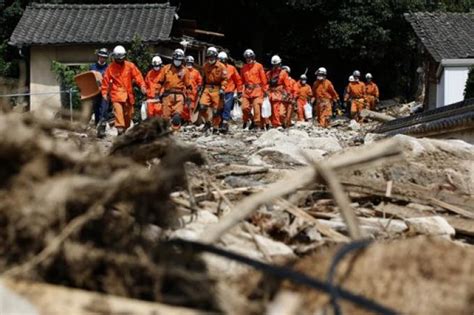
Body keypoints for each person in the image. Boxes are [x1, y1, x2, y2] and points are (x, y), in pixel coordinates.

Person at [101, 45, 146, 135]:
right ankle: (120, 130)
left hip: (128, 96)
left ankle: (123, 130)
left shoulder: (130, 66)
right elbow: (105, 82)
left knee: (128, 118)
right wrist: (105, 93)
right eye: (118, 59)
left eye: (121, 58)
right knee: (119, 114)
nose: (120, 61)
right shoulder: (110, 68)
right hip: (116, 95)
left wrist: (142, 85)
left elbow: (137, 76)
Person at [155, 48, 193, 130]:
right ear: (173, 59)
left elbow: (188, 86)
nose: (177, 61)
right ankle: (165, 135)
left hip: (179, 96)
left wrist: (189, 97)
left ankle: (175, 133)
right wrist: (157, 93)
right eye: (176, 59)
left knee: (176, 117)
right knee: (165, 118)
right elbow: (160, 82)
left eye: (179, 60)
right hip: (167, 95)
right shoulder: (166, 69)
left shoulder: (185, 71)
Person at [199, 47, 228, 132]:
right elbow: (203, 78)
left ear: (216, 57)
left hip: (217, 89)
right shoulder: (205, 65)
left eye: (212, 57)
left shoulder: (221, 66)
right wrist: (200, 86)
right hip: (207, 89)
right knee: (202, 107)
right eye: (209, 57)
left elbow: (225, 79)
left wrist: (223, 88)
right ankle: (207, 122)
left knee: (216, 111)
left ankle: (215, 127)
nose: (211, 59)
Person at [240, 49, 268, 130]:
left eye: (250, 57)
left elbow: (263, 79)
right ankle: (250, 120)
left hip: (257, 90)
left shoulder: (259, 66)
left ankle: (257, 124)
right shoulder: (244, 68)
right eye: (247, 58)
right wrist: (239, 91)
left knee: (256, 107)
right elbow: (241, 80)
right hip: (247, 91)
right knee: (244, 108)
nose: (249, 59)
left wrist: (265, 90)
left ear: (253, 57)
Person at [218, 51, 242, 133]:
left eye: (223, 60)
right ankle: (219, 123)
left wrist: (239, 91)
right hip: (218, 91)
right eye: (220, 60)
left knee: (227, 107)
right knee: (219, 108)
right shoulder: (215, 68)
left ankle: (225, 123)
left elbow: (238, 80)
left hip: (229, 91)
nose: (222, 62)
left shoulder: (231, 68)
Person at [266, 55, 293, 128]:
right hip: (270, 93)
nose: (275, 66)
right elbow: (266, 83)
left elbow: (287, 85)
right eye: (274, 65)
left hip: (279, 93)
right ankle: (272, 123)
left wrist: (288, 93)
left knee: (277, 109)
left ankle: (277, 124)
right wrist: (265, 91)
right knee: (270, 109)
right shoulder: (269, 73)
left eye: (277, 65)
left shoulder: (283, 73)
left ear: (279, 64)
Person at [90, 48, 109, 138]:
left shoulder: (109, 68)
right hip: (95, 92)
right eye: (101, 57)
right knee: (96, 110)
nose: (102, 59)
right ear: (98, 57)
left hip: (105, 93)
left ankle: (102, 129)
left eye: (104, 57)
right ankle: (98, 128)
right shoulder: (93, 67)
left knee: (104, 110)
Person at [182, 55, 202, 123]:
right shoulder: (182, 71)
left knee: (191, 106)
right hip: (183, 91)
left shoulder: (196, 72)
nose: (189, 64)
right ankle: (185, 119)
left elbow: (200, 81)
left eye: (190, 63)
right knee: (184, 106)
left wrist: (199, 86)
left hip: (193, 92)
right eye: (188, 63)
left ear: (192, 64)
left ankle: (190, 120)